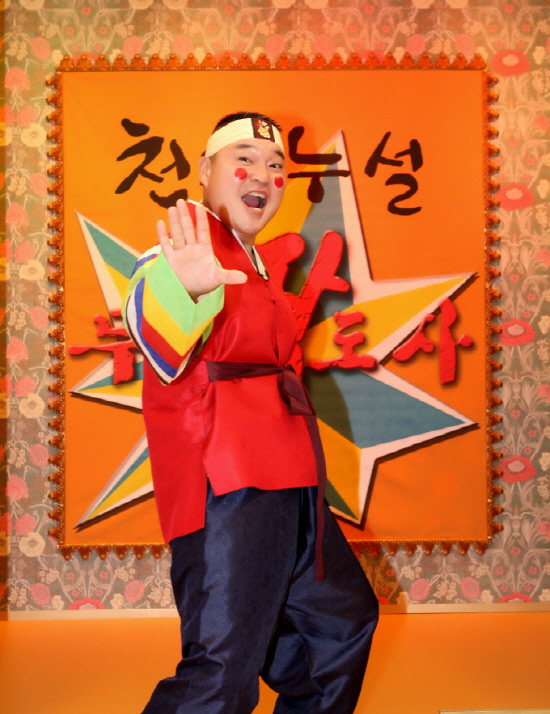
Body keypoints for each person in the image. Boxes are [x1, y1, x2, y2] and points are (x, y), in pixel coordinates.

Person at [124, 112, 378, 714]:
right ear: (205, 169)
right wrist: (186, 289)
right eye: (244, 159)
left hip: (291, 480)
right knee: (223, 668)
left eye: (275, 166)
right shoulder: (180, 252)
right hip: (226, 484)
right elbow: (154, 341)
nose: (262, 174)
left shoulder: (254, 259)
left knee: (337, 626)